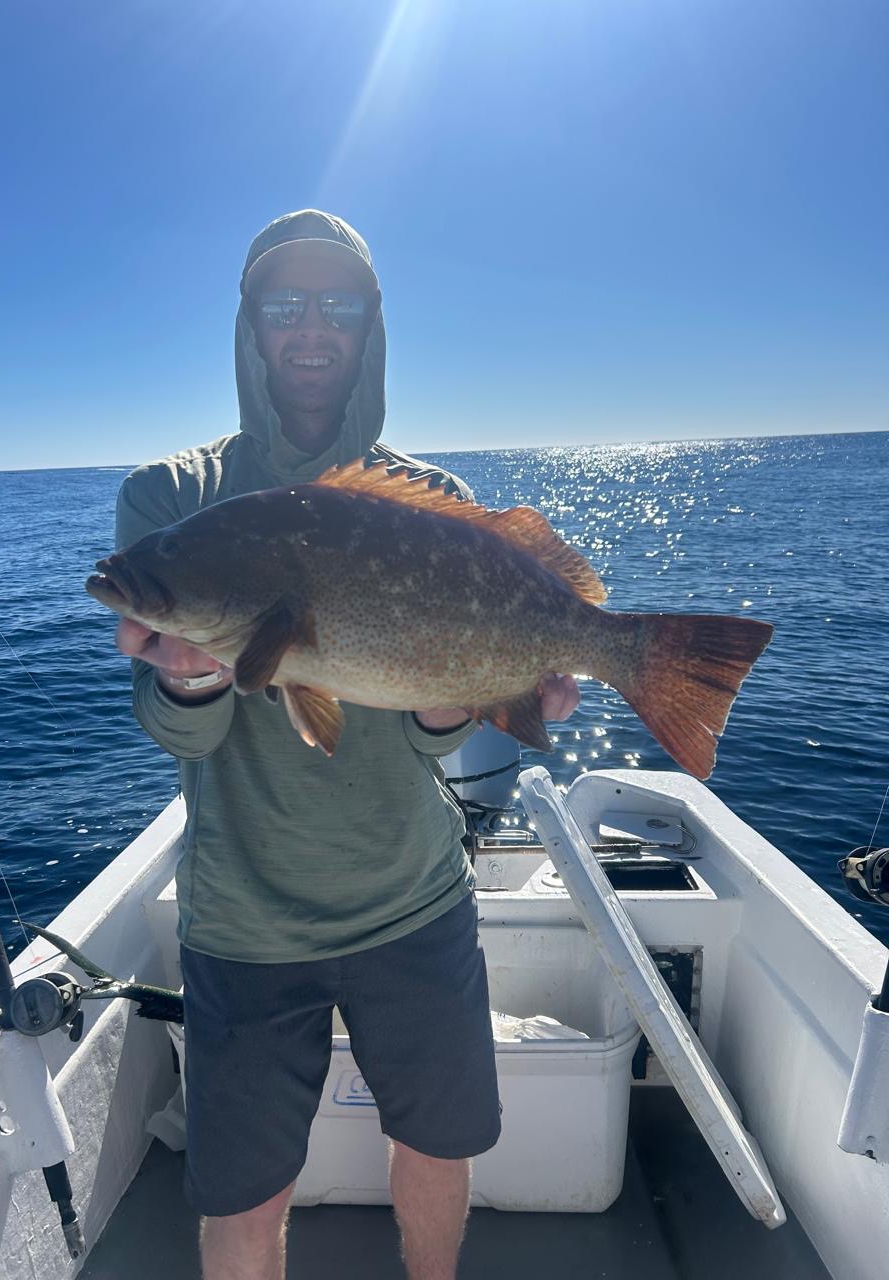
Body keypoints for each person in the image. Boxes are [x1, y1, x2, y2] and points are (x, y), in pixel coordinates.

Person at [113, 209, 579, 1280]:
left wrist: (466, 701)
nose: (311, 328)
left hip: (412, 896)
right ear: (251, 327)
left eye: (338, 305)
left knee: (438, 1139)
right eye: (286, 306)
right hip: (243, 916)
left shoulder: (439, 503)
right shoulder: (174, 500)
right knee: (241, 1186)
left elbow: (432, 744)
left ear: (370, 327)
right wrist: (188, 671)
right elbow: (169, 723)